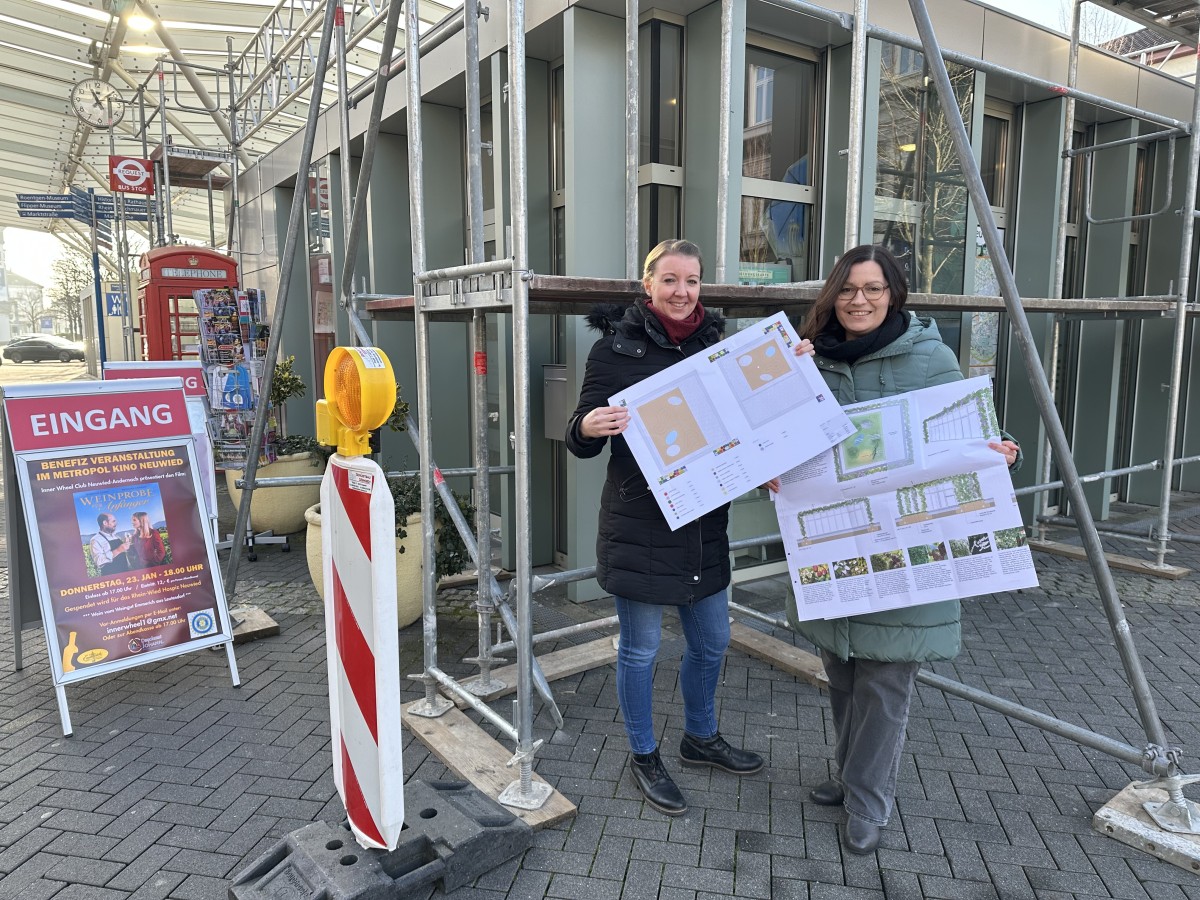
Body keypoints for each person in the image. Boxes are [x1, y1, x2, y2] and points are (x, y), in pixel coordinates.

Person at [774, 243, 1019, 855]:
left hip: (906, 554)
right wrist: (775, 447)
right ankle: (847, 775)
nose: (860, 300)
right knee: (841, 673)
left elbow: (971, 427)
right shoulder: (808, 362)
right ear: (833, 295)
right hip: (833, 555)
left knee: (885, 685)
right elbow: (774, 445)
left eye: (874, 289)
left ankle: (869, 802)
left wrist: (999, 450)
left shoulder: (929, 357)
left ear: (893, 294)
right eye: (849, 289)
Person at [565, 239, 781, 816]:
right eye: (670, 280)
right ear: (648, 286)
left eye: (692, 281)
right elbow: (580, 438)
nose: (682, 292)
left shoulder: (720, 349)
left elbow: (752, 422)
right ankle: (644, 754)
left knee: (713, 640)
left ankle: (699, 738)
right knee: (642, 649)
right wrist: (588, 425)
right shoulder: (614, 352)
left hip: (703, 520)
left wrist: (793, 363)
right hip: (641, 522)